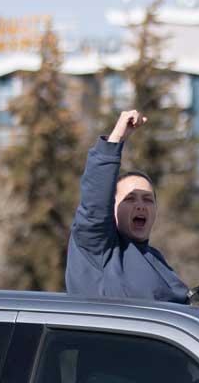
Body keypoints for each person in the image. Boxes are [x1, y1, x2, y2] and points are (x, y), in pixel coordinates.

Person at [65, 109, 189, 303]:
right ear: (111, 207)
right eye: (130, 199)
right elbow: (94, 202)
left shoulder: (156, 260)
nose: (141, 205)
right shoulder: (99, 248)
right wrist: (116, 139)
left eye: (148, 199)